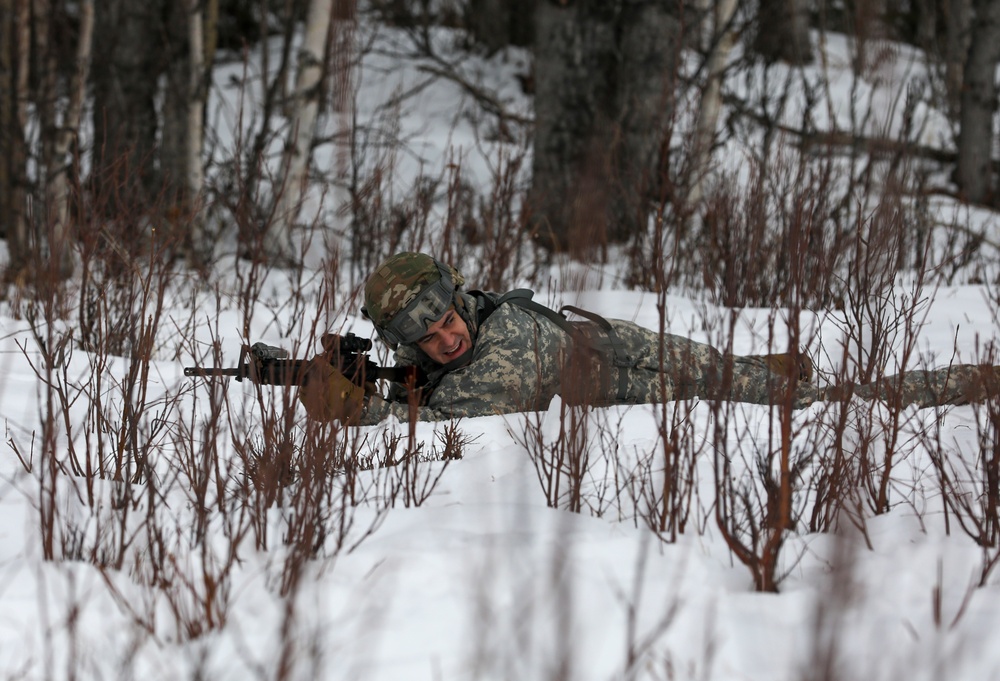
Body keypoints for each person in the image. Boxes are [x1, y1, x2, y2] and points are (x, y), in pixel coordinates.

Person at [299, 252, 999, 425]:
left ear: (459, 300)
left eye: (448, 320)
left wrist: (359, 406)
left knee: (820, 402)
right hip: (609, 346)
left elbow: (454, 415)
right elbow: (425, 378)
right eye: (424, 337)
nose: (447, 337)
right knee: (752, 376)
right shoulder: (465, 324)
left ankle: (970, 381)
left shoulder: (502, 348)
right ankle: (754, 367)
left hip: (641, 375)